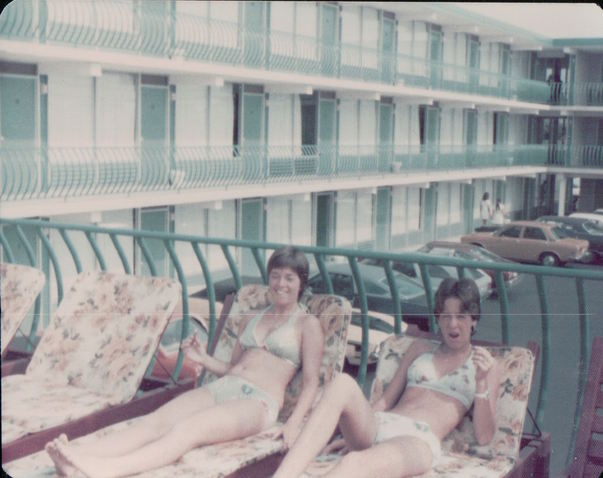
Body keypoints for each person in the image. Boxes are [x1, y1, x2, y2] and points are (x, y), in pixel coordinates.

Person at [45, 246, 324, 478]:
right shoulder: (251, 317)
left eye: (289, 278)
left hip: (259, 402)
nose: (281, 284)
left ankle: (105, 470)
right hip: (225, 386)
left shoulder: (307, 324)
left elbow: (311, 382)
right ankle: (77, 455)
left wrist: (293, 424)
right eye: (275, 276)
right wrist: (203, 358)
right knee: (155, 421)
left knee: (188, 429)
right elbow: (234, 368)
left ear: (301, 282)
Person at [273, 277, 499, 478]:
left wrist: (481, 382)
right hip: (381, 424)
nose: (452, 324)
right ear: (438, 319)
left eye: (461, 316)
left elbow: (484, 436)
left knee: (353, 463)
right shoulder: (420, 349)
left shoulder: (484, 364)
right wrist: (354, 428)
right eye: (446, 316)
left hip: (417, 441)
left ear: (474, 320)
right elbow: (385, 401)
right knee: (342, 383)